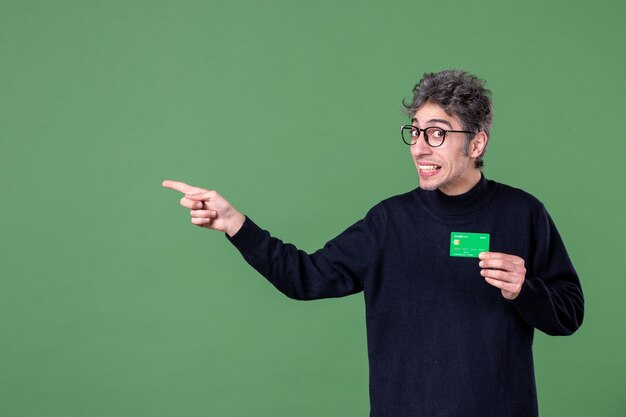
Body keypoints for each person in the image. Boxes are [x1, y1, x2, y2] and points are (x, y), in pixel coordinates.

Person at [162, 69, 584, 417]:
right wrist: (236, 224)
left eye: (436, 134)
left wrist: (523, 290)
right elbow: (304, 278)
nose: (419, 147)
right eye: (415, 132)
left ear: (476, 143)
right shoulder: (389, 222)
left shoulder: (523, 214)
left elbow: (569, 314)